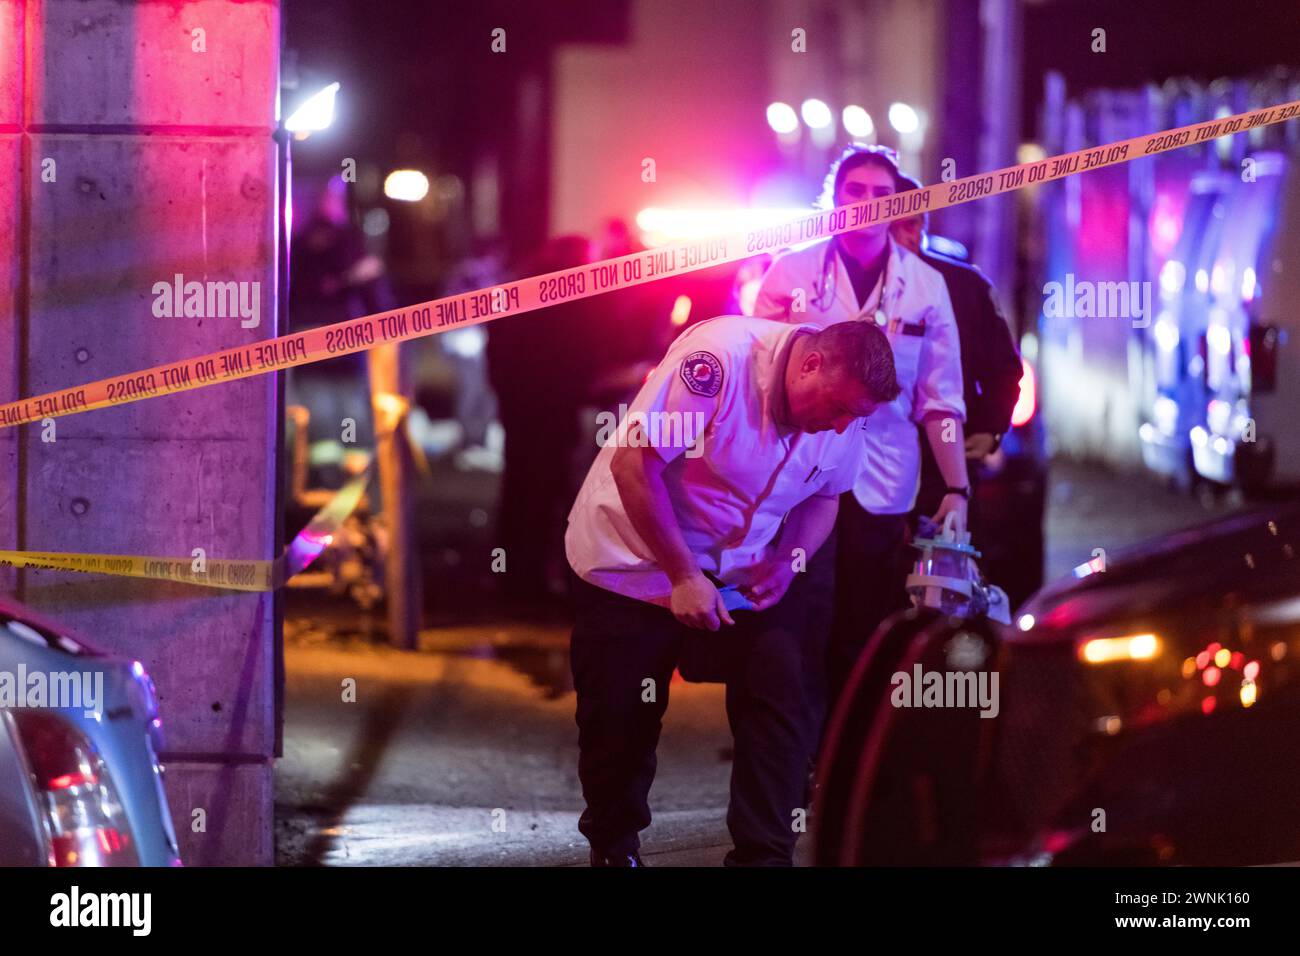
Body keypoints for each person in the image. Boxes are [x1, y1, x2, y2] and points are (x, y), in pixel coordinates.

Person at [566, 316, 899, 866]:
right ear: (811, 364)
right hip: (635, 560)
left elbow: (826, 496)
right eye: (838, 409)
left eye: (854, 418)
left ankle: (764, 857)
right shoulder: (718, 361)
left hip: (744, 570)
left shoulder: (845, 413)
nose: (842, 427)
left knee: (782, 699)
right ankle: (614, 849)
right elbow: (636, 464)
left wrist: (789, 562)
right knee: (620, 719)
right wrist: (682, 576)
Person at [752, 145, 969, 702]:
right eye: (854, 190)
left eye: (881, 193)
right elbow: (759, 375)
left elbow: (939, 399)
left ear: (897, 204)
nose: (867, 203)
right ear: (833, 197)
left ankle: (842, 760)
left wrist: (956, 487)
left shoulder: (925, 287)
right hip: (800, 469)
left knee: (863, 624)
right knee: (798, 613)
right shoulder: (791, 272)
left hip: (884, 476)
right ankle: (796, 749)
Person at [890, 175, 1023, 524]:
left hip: (945, 461)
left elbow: (1004, 368)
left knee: (945, 567)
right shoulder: (852, 284)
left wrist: (991, 428)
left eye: (912, 224)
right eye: (892, 226)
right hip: (873, 464)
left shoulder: (965, 286)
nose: (903, 237)